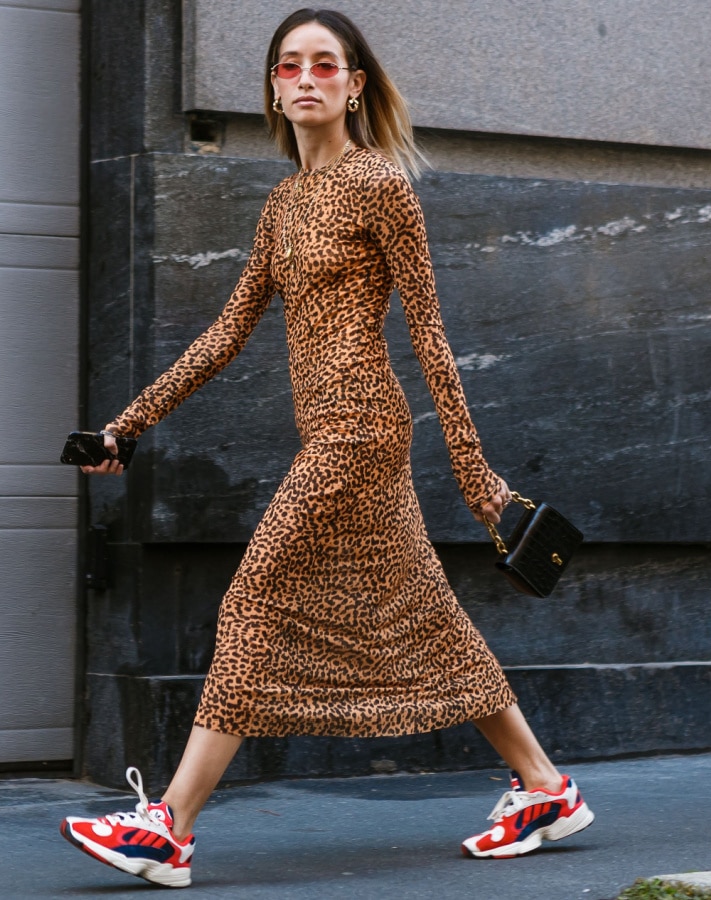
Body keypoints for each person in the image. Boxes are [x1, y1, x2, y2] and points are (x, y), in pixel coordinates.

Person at [60, 8, 593, 888]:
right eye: (289, 66)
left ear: (354, 84)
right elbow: (226, 333)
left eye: (324, 65)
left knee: (253, 601)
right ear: (274, 86)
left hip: (360, 437)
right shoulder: (284, 203)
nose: (306, 78)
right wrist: (126, 426)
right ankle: (546, 787)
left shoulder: (378, 183)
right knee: (433, 626)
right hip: (335, 437)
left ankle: (170, 827)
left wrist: (473, 473)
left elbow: (429, 332)